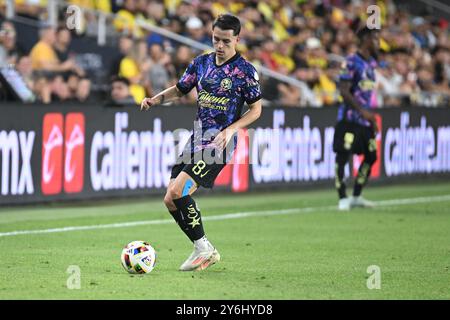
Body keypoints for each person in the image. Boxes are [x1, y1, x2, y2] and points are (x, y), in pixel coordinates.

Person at [140, 14, 262, 271]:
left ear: (237, 39)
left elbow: (255, 110)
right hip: (197, 138)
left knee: (179, 191)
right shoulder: (201, 63)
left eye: (226, 41)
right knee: (169, 199)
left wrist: (231, 130)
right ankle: (202, 247)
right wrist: (155, 99)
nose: (219, 45)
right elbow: (180, 89)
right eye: (216, 39)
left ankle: (204, 247)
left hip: (219, 143)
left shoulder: (245, 72)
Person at [333, 26, 380, 211]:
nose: (378, 42)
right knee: (343, 156)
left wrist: (372, 118)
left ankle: (357, 195)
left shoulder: (372, 64)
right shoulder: (351, 61)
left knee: (371, 155)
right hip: (349, 119)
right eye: (375, 39)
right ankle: (342, 197)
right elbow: (344, 91)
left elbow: (368, 94)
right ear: (365, 40)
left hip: (365, 120)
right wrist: (362, 111)